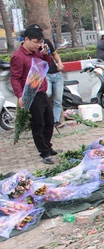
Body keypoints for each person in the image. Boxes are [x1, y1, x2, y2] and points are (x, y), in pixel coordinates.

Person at [10, 25, 57, 164]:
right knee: (38, 124)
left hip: (42, 91)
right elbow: (15, 78)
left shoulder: (37, 52)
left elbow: (47, 65)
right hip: (31, 94)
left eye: (40, 42)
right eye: (36, 42)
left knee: (49, 121)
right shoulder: (18, 57)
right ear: (26, 39)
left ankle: (47, 146)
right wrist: (19, 96)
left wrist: (45, 55)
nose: (38, 45)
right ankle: (44, 153)